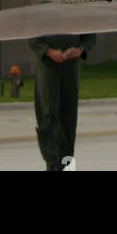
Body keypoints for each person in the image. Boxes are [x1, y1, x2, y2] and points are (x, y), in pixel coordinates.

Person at [28, 32, 96, 171]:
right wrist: (48, 51)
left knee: (68, 115)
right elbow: (32, 35)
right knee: (48, 113)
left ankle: (66, 163)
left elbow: (90, 36)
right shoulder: (44, 10)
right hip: (48, 65)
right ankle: (52, 163)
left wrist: (80, 50)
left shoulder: (78, 11)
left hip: (71, 66)